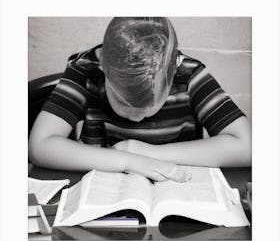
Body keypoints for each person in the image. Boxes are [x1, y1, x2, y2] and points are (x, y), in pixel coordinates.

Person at [28, 17, 251, 182]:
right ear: (103, 66)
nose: (136, 116)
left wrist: (148, 153)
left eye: (150, 106)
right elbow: (39, 145)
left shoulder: (189, 74)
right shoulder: (86, 70)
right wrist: (128, 160)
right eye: (124, 103)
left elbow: (249, 147)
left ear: (174, 72)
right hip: (105, 194)